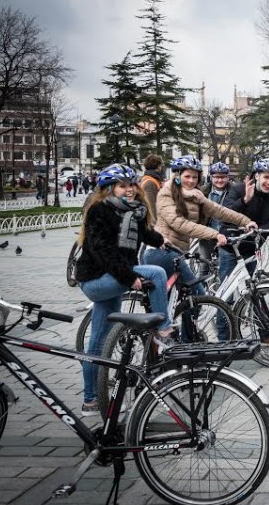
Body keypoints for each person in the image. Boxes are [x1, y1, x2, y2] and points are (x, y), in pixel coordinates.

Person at [73, 163, 172, 416]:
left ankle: (90, 401)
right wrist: (129, 277)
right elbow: (103, 251)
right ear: (108, 189)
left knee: (98, 342)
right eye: (122, 186)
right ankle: (163, 331)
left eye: (131, 184)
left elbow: (145, 234)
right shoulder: (100, 210)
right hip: (96, 279)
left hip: (112, 278)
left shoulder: (134, 211)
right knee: (156, 273)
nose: (129, 190)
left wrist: (161, 241)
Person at [142, 155, 254, 298]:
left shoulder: (196, 194)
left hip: (176, 252)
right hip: (161, 251)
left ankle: (183, 320)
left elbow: (218, 210)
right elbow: (179, 223)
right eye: (187, 176)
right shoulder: (167, 192)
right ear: (178, 175)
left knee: (183, 299)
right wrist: (214, 234)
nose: (191, 181)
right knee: (198, 295)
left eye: (195, 177)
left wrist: (246, 221)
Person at [221, 157, 269, 281]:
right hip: (231, 245)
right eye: (266, 177)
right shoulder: (238, 189)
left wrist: (260, 230)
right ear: (257, 176)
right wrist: (244, 200)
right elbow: (225, 213)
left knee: (253, 288)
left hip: (252, 247)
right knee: (226, 288)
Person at [198, 162, 233, 276]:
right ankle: (199, 293)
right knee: (204, 267)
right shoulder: (203, 191)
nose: (220, 180)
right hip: (207, 234)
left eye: (223, 177)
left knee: (224, 267)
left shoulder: (234, 191)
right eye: (216, 177)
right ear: (211, 177)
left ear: (228, 177)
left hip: (226, 234)